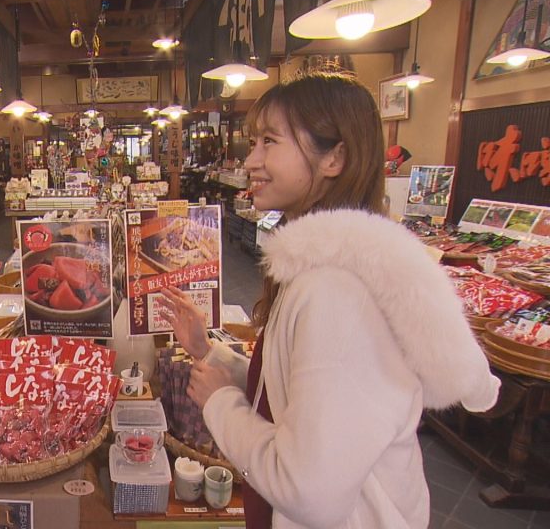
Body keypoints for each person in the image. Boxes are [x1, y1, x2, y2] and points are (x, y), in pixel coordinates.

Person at [161, 73, 499, 529]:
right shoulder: (319, 267)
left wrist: (221, 402)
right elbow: (298, 393)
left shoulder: (337, 292)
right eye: (253, 142)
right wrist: (209, 352)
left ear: (335, 157)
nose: (251, 161)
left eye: (269, 141)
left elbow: (309, 492)